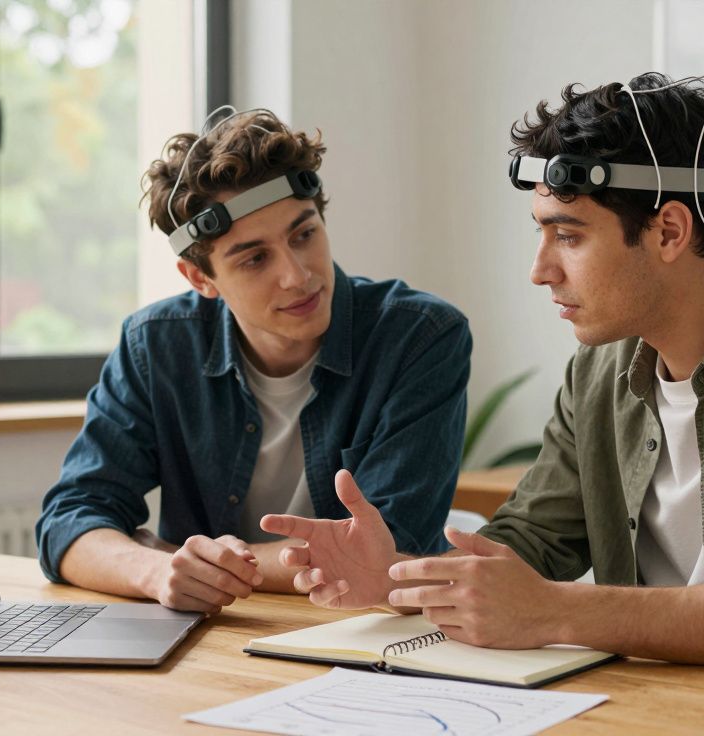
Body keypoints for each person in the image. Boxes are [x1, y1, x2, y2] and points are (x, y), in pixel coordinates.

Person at [262, 74, 704, 674]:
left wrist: (557, 612)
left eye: (569, 235)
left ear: (669, 232)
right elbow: (529, 546)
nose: (540, 270)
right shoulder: (601, 369)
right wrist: (399, 580)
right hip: (660, 705)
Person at [36, 108, 472, 616]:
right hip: (215, 640)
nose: (298, 275)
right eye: (254, 258)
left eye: (304, 234)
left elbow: (387, 551)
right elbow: (70, 520)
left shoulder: (421, 337)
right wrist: (155, 572)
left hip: (367, 639)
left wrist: (193, 561)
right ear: (200, 279)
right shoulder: (155, 346)